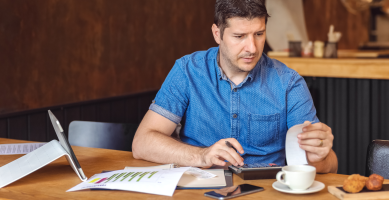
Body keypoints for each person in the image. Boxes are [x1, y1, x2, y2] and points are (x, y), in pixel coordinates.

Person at [132, 0, 337, 173]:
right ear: (217, 33)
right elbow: (142, 143)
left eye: (259, 34)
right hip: (199, 190)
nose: (252, 48)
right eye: (239, 36)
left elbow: (331, 166)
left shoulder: (289, 83)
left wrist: (320, 154)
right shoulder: (188, 71)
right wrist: (202, 155)